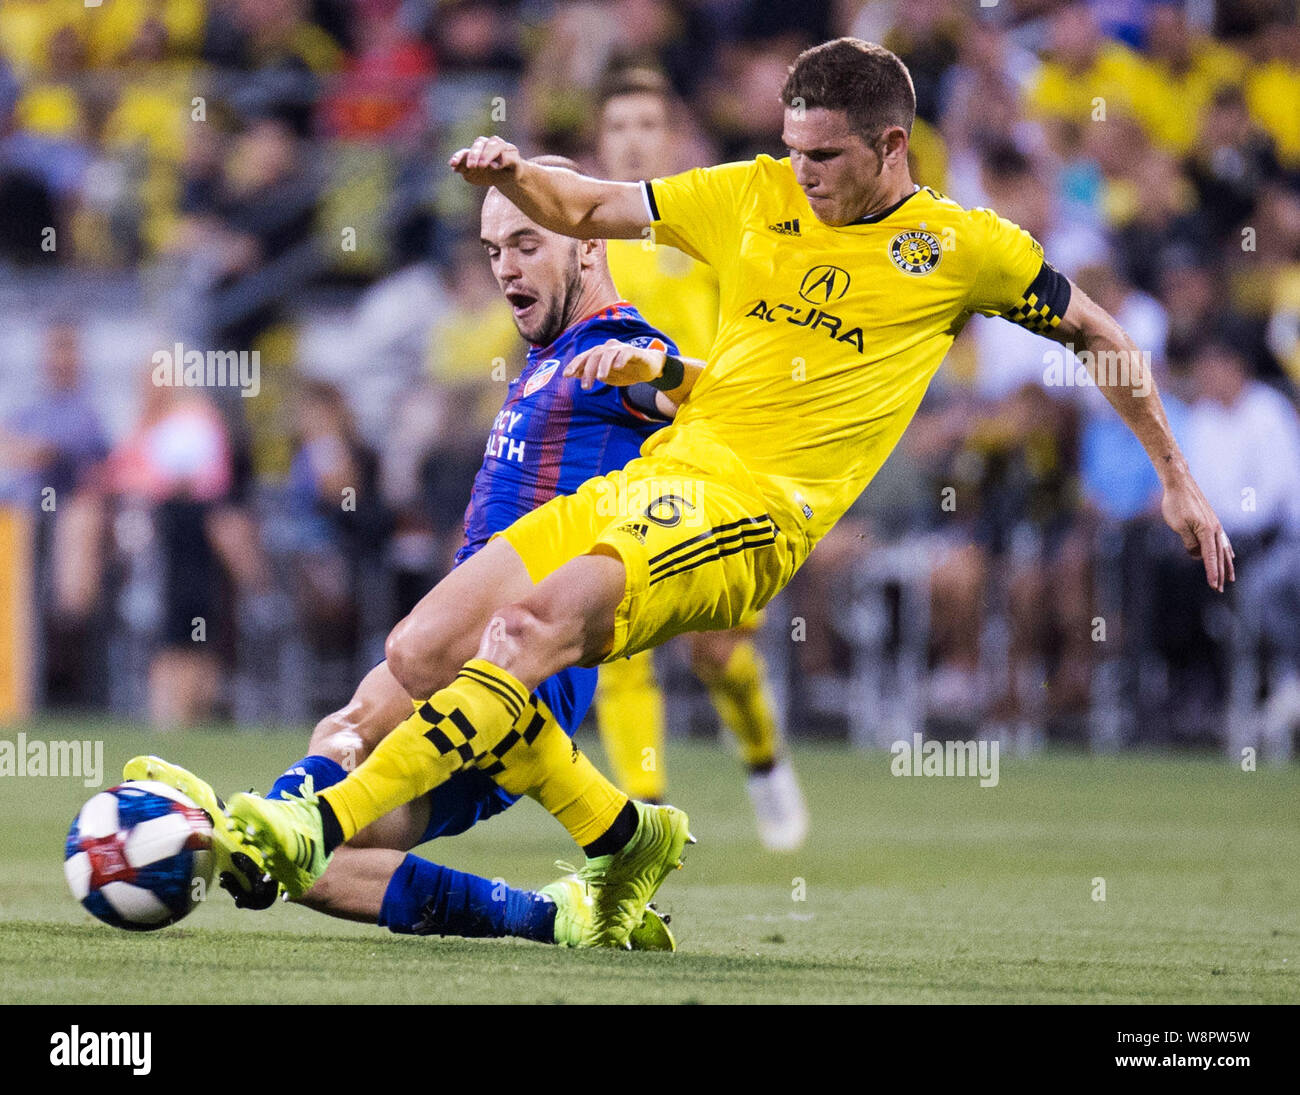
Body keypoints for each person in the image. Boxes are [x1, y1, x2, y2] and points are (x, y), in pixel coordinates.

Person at [229, 38, 1234, 949]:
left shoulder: (963, 250)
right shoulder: (753, 195)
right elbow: (589, 207)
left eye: (825, 156)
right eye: (792, 148)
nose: (802, 172)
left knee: (528, 631)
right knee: (418, 647)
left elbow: (1100, 335)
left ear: (893, 146)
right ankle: (625, 838)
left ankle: (312, 823)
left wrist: (1177, 482)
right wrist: (517, 175)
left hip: (750, 513)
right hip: (661, 473)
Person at [128, 154, 686, 948]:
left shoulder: (620, 347)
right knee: (320, 842)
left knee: (385, 687)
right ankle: (551, 917)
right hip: (474, 646)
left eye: (528, 243)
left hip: (524, 656)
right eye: (494, 251)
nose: (507, 269)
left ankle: (245, 819)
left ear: (589, 245)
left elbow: (690, 396)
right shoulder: (543, 356)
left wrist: (671, 372)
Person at [592, 65, 808, 849]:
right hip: (620, 448)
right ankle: (643, 814)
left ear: (672, 134)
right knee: (614, 633)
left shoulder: (712, 218)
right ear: (599, 140)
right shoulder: (587, 238)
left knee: (718, 650)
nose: (632, 139)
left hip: (716, 446)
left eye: (647, 124)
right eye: (618, 127)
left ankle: (762, 755)